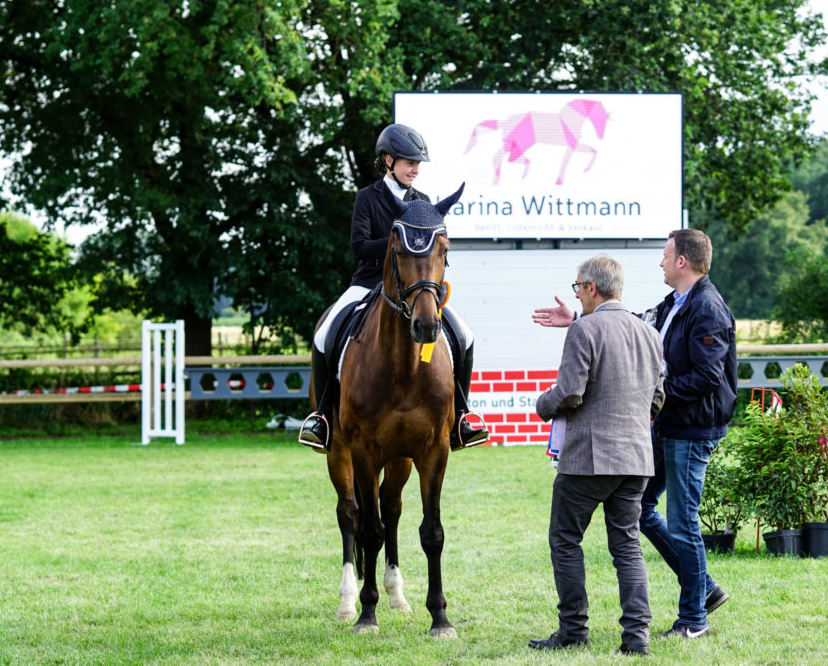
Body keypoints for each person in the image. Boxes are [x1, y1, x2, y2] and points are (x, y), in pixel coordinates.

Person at [532, 228, 735, 640]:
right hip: (646, 444)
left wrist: (545, 404)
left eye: (665, 255)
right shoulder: (663, 313)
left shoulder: (707, 308)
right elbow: (631, 340)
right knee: (633, 529)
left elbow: (707, 376)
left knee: (676, 525)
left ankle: (689, 617)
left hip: (683, 431)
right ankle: (648, 627)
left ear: (682, 261)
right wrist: (642, 406)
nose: (660, 262)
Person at [298, 124, 489, 452]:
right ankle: (321, 417)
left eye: (417, 164)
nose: (414, 169)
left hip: (415, 289)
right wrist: (393, 245)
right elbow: (359, 246)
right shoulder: (367, 198)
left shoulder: (423, 202)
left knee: (465, 335)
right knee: (323, 334)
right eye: (408, 162)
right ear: (388, 161)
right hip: (369, 283)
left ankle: (461, 416)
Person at [529, 254, 665, 656]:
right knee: (627, 545)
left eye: (577, 288)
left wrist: (542, 405)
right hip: (637, 458)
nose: (577, 295)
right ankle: (636, 636)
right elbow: (658, 397)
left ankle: (573, 630)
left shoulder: (583, 331)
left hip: (589, 458)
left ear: (591, 288)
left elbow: (571, 392)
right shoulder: (649, 333)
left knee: (565, 539)